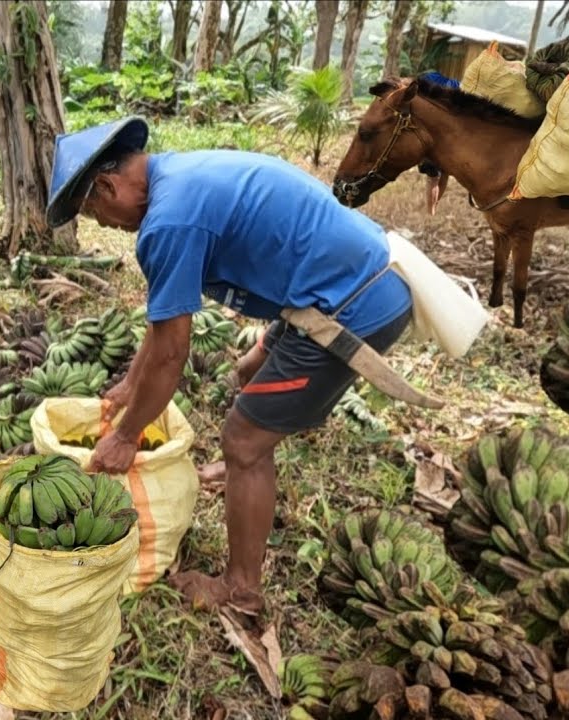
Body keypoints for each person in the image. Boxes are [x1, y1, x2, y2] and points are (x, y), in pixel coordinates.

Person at [46, 117, 415, 615]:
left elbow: (174, 352)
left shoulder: (168, 223)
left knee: (242, 438)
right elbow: (162, 328)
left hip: (350, 305)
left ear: (108, 186)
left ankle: (241, 587)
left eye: (95, 213)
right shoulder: (178, 178)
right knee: (249, 376)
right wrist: (131, 384)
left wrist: (127, 435)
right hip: (337, 282)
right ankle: (244, 471)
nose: (107, 225)